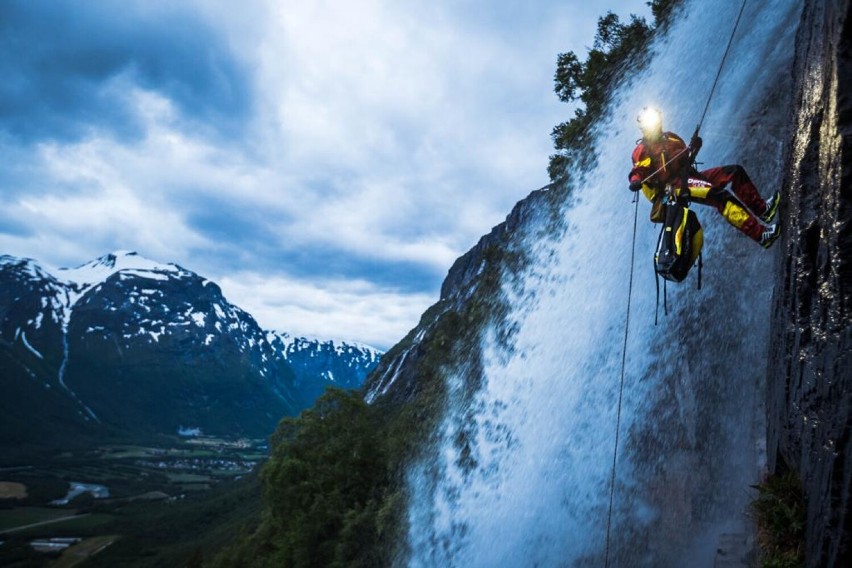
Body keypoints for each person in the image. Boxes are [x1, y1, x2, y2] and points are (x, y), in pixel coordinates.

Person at [628, 107, 781, 248]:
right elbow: (638, 171)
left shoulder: (670, 138)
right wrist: (635, 182)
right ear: (643, 128)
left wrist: (694, 147)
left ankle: (763, 210)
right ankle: (761, 235)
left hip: (689, 176)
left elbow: (685, 160)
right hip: (675, 187)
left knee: (734, 172)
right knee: (720, 197)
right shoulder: (642, 150)